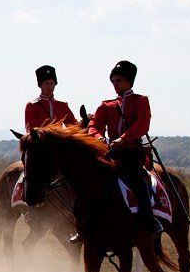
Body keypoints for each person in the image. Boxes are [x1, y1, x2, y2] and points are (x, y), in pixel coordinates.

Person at [86, 60, 162, 236]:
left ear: (129, 81)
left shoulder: (140, 101)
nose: (115, 84)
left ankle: (149, 221)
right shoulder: (106, 105)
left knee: (136, 180)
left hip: (131, 152)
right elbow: (93, 126)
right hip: (110, 151)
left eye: (118, 80)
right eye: (113, 81)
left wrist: (123, 139)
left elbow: (143, 124)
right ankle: (84, 222)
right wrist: (99, 138)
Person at [25, 65, 76, 132]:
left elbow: (73, 126)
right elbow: (31, 130)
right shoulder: (32, 106)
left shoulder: (62, 106)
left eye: (52, 83)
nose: (50, 87)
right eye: (47, 83)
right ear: (41, 85)